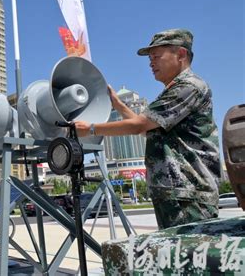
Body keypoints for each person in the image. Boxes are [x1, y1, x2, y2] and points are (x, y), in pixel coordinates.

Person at [75, 29, 221, 229]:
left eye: (156, 56)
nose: (151, 63)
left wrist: (89, 129)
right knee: (176, 256)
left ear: (180, 54)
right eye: (150, 58)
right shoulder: (173, 89)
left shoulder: (189, 86)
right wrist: (118, 104)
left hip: (189, 193)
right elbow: (146, 129)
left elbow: (139, 125)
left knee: (189, 256)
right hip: (175, 192)